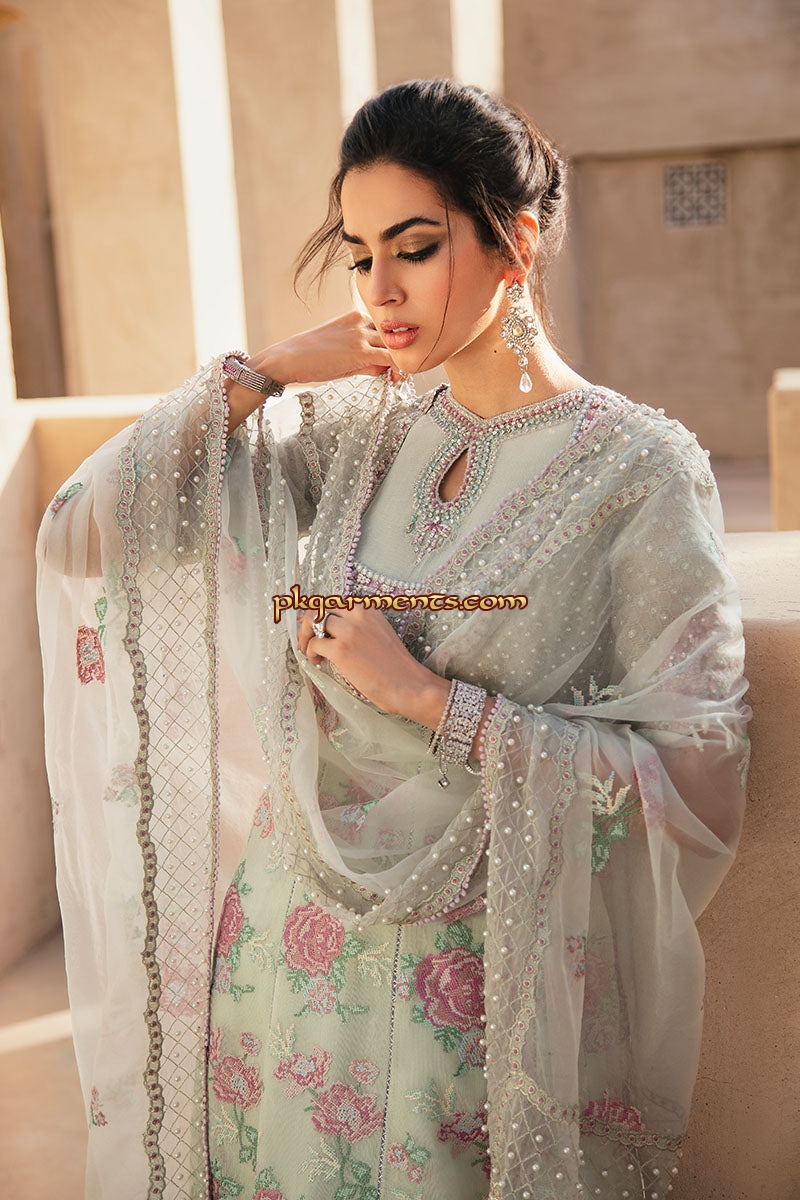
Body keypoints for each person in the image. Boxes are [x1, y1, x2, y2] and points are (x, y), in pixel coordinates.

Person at [37, 79, 750, 1200]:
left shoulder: (636, 472)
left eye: (414, 248)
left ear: (515, 243)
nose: (380, 288)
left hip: (476, 987)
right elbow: (82, 536)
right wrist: (267, 371)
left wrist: (429, 701)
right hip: (284, 962)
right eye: (360, 255)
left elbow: (696, 785)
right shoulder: (356, 434)